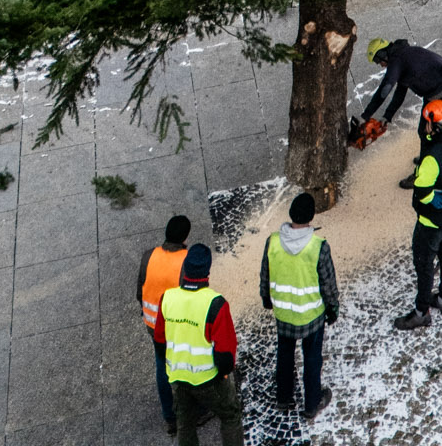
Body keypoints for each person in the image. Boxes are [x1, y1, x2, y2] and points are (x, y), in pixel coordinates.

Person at [153, 242, 243, 446]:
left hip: (178, 376)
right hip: (208, 378)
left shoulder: (168, 297)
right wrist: (224, 373)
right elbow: (225, 354)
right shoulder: (216, 303)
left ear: (185, 269)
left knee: (185, 423)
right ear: (207, 272)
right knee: (230, 415)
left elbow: (159, 341)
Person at [260, 191, 339, 419]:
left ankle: (283, 398)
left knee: (284, 355)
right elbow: (328, 284)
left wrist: (266, 298)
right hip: (311, 314)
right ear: (311, 217)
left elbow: (265, 274)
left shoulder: (273, 241)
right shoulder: (318, 246)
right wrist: (333, 308)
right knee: (312, 359)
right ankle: (312, 403)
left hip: (283, 312)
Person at [394, 99, 442, 330]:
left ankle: (421, 311)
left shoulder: (431, 159)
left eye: (426, 122)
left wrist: (429, 198)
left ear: (433, 126)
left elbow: (422, 190)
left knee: (424, 265)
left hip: (431, 222)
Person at [362, 38, 442, 187]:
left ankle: (421, 174)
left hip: (441, 89)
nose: (380, 65)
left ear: (382, 54)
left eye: (378, 61)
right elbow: (400, 94)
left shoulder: (396, 62)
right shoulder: (402, 55)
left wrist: (366, 115)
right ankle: (431, 154)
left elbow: (384, 90)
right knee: (429, 130)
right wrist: (387, 116)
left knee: (426, 131)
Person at [139, 215, 191, 436]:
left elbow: (139, 291)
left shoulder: (149, 256)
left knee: (162, 367)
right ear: (185, 238)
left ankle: (170, 417)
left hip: (152, 325)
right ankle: (191, 412)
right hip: (176, 327)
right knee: (186, 366)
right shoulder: (186, 261)